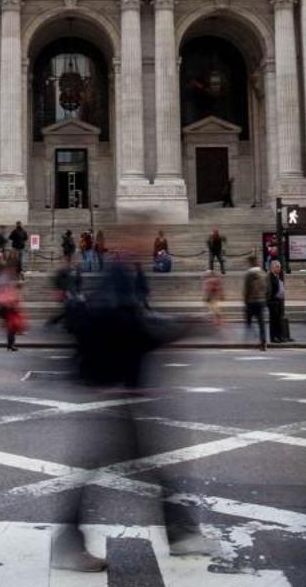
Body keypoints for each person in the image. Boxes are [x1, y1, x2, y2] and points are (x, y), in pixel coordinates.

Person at [54, 242, 203, 570]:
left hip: (121, 392)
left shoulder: (121, 273)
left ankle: (180, 532)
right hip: (117, 393)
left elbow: (134, 327)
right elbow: (133, 330)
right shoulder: (119, 276)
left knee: (140, 466)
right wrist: (186, 328)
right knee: (134, 466)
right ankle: (68, 542)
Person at [241, 255, 269, 350]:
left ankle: (250, 339)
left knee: (248, 321)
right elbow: (267, 288)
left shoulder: (248, 274)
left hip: (251, 301)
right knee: (261, 323)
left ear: (250, 263)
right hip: (261, 301)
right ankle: (263, 342)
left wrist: (245, 300)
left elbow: (246, 289)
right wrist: (265, 298)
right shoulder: (263, 273)